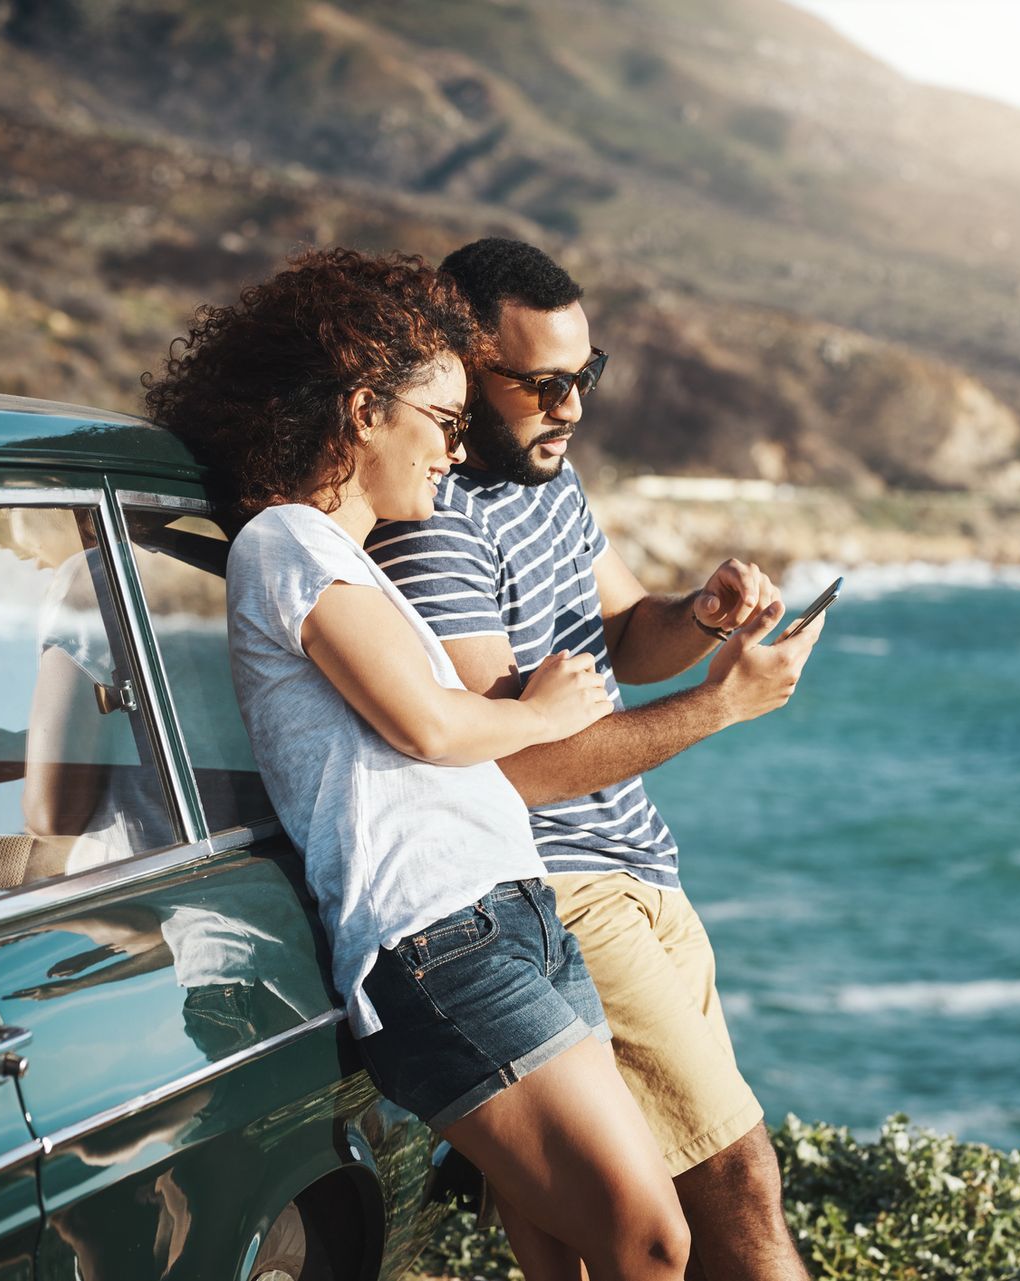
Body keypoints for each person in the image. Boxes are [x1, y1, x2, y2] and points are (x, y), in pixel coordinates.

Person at [144, 247, 690, 1281]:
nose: (453, 451)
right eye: (441, 424)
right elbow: (430, 728)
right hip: (438, 939)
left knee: (569, 1252)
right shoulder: (289, 542)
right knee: (651, 1239)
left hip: (508, 912)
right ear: (362, 411)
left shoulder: (343, 560)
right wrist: (543, 710)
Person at [368, 238, 823, 1280]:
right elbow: (509, 769)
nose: (571, 407)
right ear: (458, 369)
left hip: (644, 869)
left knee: (654, 1210)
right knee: (738, 1183)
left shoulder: (550, 483)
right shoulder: (432, 531)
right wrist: (719, 708)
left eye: (586, 377)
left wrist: (700, 618)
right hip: (562, 887)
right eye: (542, 384)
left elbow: (623, 629)